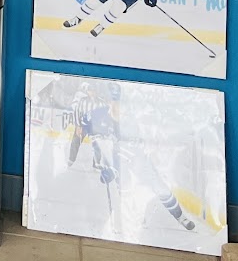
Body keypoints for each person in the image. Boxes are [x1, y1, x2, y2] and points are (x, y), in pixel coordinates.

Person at [67, 91, 197, 232]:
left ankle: (180, 216)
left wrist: (112, 170)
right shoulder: (96, 115)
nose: (119, 109)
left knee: (159, 187)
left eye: (122, 106)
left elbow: (128, 154)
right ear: (110, 103)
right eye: (116, 104)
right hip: (116, 159)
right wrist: (80, 133)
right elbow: (84, 126)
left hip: (137, 159)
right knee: (124, 189)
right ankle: (132, 217)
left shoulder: (130, 123)